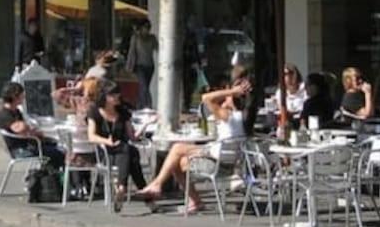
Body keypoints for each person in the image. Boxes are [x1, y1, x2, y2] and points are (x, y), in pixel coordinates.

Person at [137, 68, 254, 213]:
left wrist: (232, 92)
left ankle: (158, 185)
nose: (224, 98)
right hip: (226, 162)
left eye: (227, 95)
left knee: (177, 149)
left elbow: (206, 98)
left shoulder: (226, 114)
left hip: (217, 166)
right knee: (178, 161)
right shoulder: (242, 118)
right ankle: (192, 200)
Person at [86, 82, 150, 212]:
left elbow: (132, 136)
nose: (117, 97)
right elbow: (91, 136)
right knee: (131, 156)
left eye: (117, 94)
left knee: (128, 151)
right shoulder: (95, 112)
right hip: (106, 152)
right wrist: (107, 141)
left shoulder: (122, 112)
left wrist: (146, 124)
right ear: (104, 96)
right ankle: (148, 200)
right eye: (113, 94)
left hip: (122, 151)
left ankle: (121, 188)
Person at [0, 82, 64, 169]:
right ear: (14, 96)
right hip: (20, 149)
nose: (24, 97)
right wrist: (30, 128)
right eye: (21, 95)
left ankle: (50, 175)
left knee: (57, 146)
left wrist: (33, 131)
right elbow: (20, 128)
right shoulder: (5, 115)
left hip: (29, 144)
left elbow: (25, 128)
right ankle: (56, 178)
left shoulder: (16, 111)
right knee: (58, 153)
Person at [126, 19, 157, 110]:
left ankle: (139, 106)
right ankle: (147, 106)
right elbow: (131, 52)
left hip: (150, 66)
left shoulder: (152, 38)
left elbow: (158, 48)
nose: (147, 30)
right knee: (144, 87)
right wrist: (129, 65)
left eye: (148, 28)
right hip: (139, 66)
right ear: (141, 28)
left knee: (144, 86)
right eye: (145, 27)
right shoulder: (136, 38)